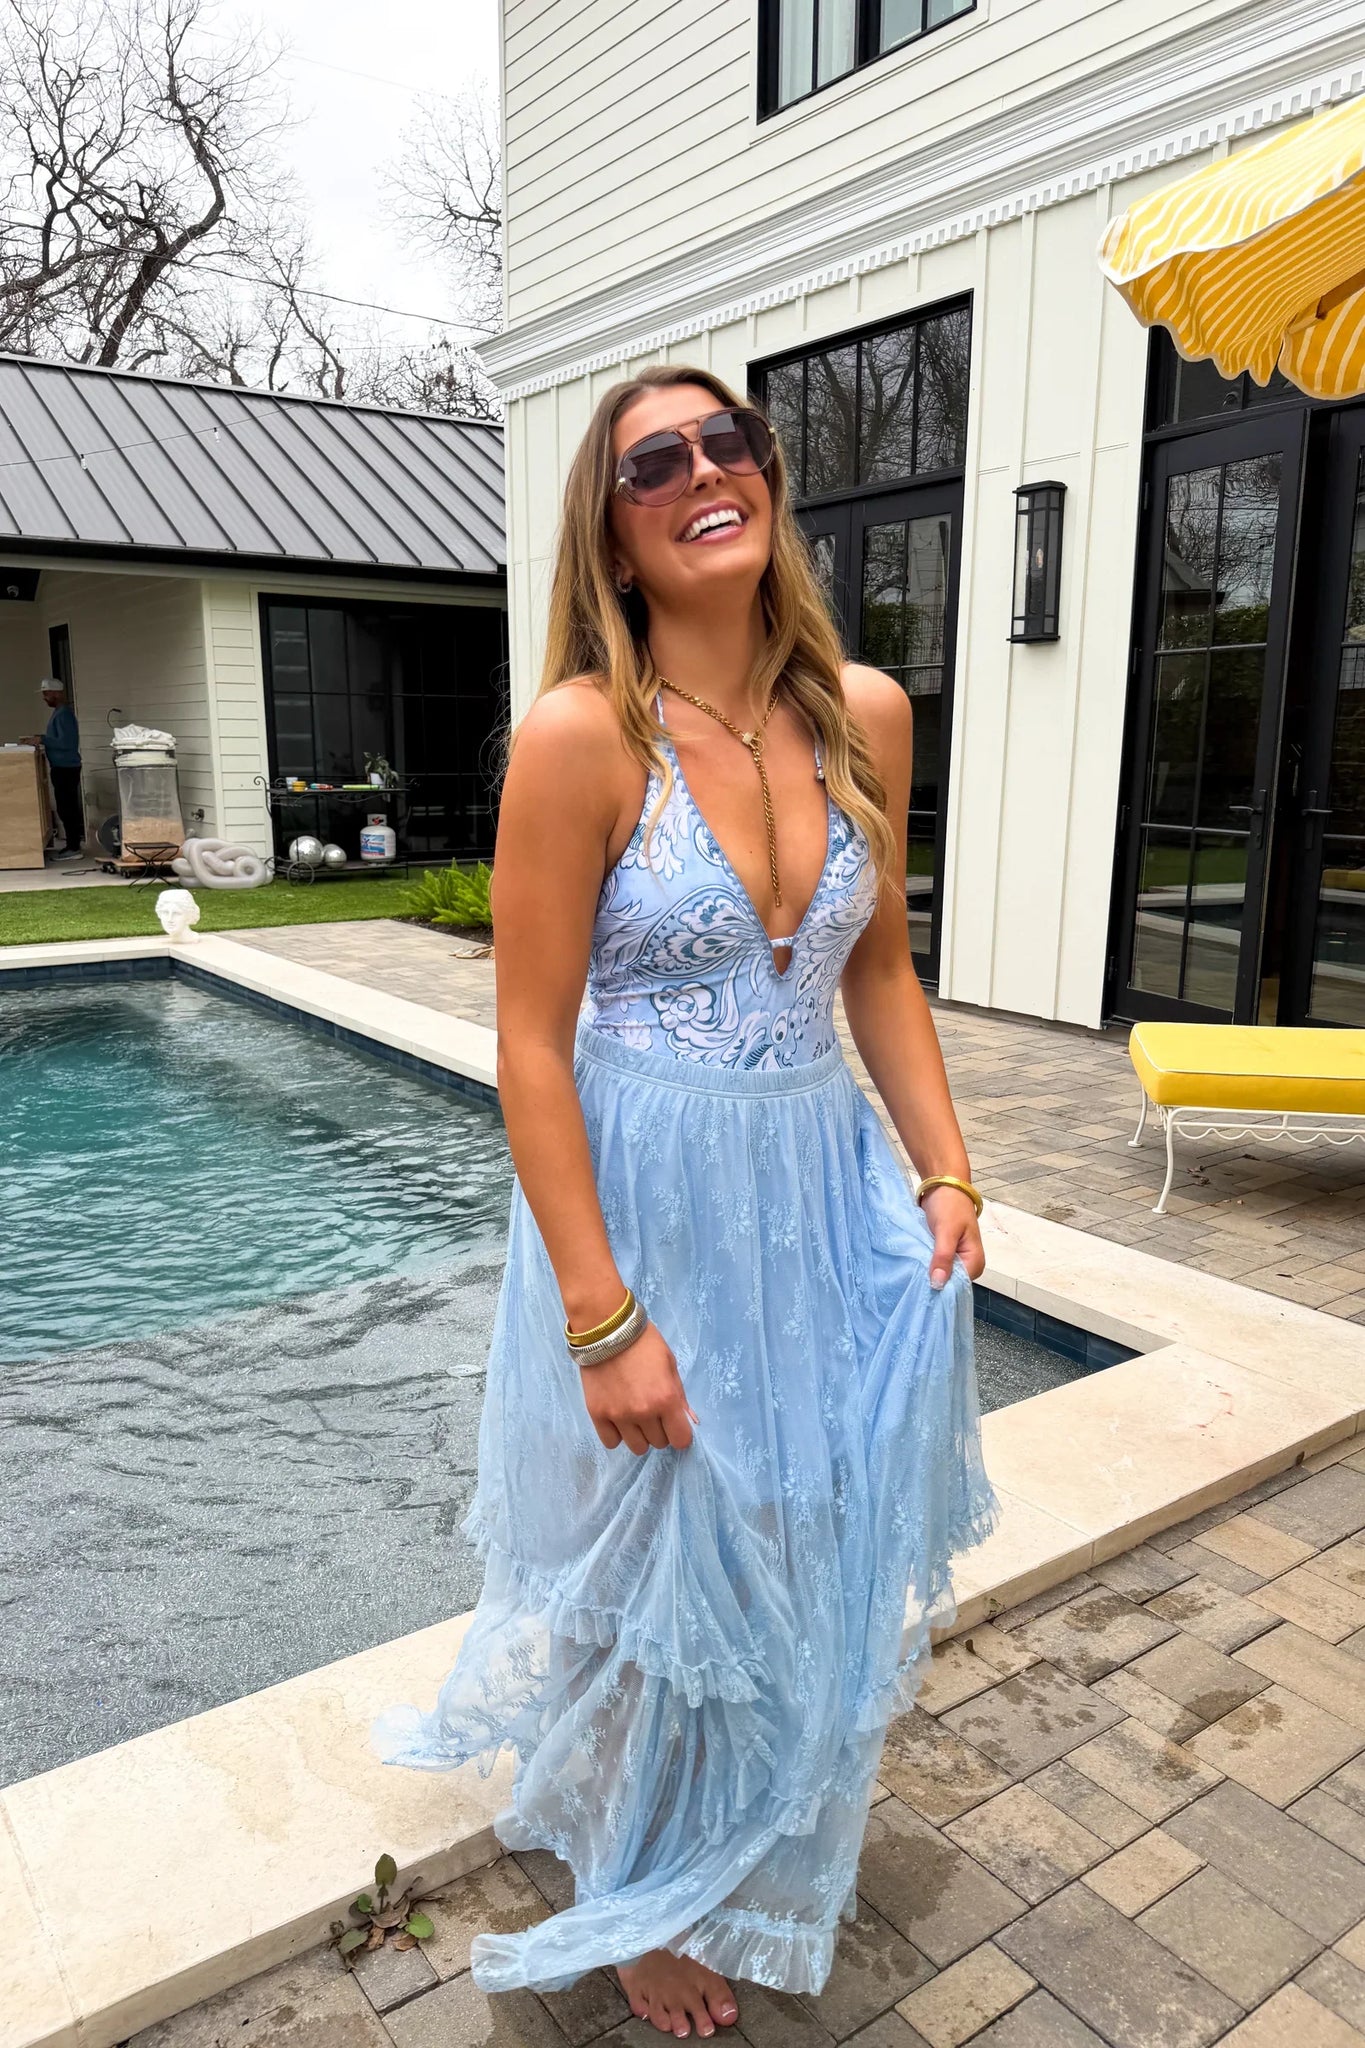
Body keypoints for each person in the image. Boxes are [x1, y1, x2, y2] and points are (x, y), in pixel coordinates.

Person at [373, 365, 1000, 2039]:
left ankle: (745, 1816)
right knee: (650, 1546)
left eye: (734, 442)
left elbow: (880, 972)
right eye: (658, 460)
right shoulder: (582, 736)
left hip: (815, 1186)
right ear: (615, 529)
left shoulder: (867, 712)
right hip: (645, 1201)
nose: (707, 471)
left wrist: (945, 1164)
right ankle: (637, 1878)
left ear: (770, 479)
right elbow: (526, 1043)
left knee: (792, 1522)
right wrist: (600, 1313)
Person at [37, 678, 84, 859]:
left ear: (56, 693)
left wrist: (42, 739)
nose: (44, 698)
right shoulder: (59, 713)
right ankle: (72, 845)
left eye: (46, 693)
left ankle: (74, 847)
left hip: (66, 768)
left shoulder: (64, 714)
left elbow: (66, 743)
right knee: (65, 807)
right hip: (62, 767)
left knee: (67, 808)